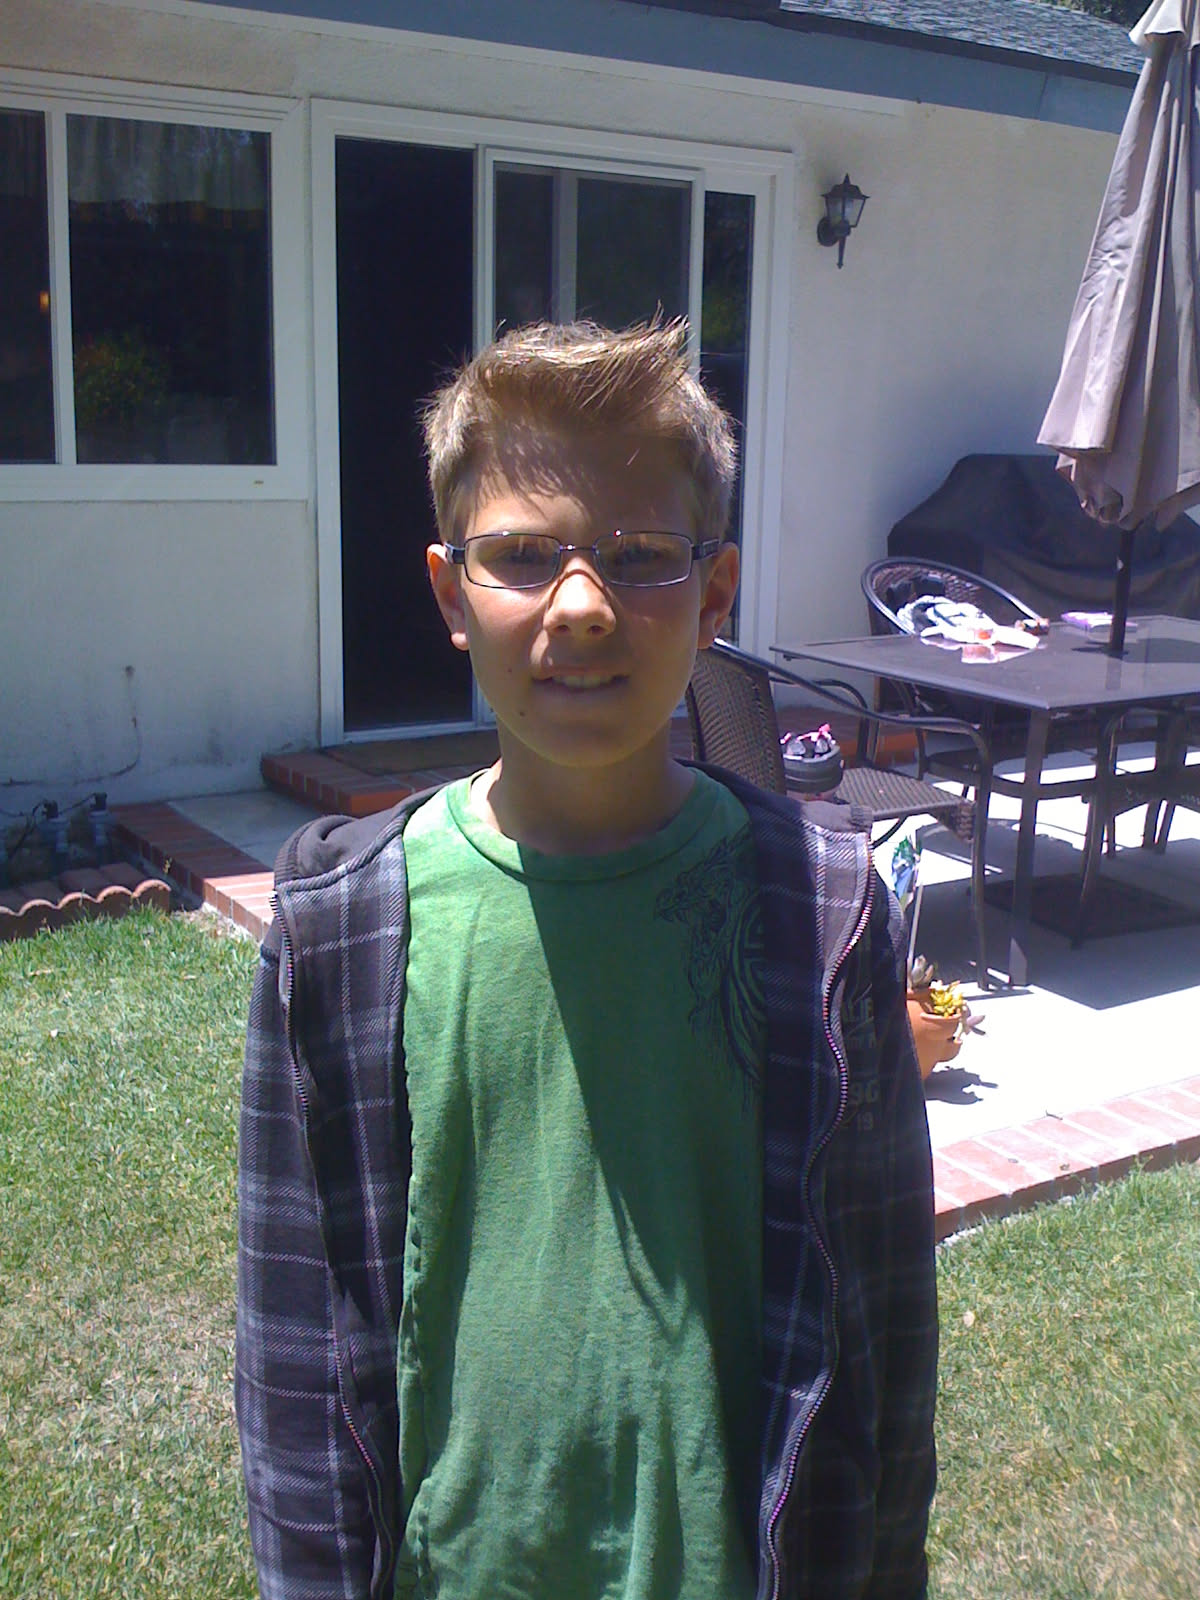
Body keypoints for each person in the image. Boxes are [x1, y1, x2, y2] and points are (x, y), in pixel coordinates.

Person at [235, 319, 937, 1600]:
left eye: (641, 555)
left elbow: (889, 1326)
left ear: (715, 596)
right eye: (521, 555)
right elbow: (293, 1353)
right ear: (450, 594)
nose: (581, 604)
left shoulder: (828, 913)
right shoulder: (338, 927)